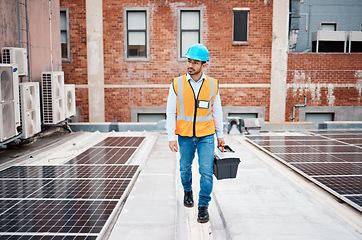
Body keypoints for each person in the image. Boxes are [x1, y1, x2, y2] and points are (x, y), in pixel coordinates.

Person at [166, 43, 225, 223]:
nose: (190, 65)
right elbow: (170, 111)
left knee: (206, 172)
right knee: (184, 169)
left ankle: (203, 206)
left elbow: (217, 111)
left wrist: (220, 135)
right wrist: (171, 136)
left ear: (204, 64)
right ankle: (188, 191)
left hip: (206, 136)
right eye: (189, 61)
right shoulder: (177, 84)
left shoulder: (213, 85)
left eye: (195, 62)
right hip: (184, 136)